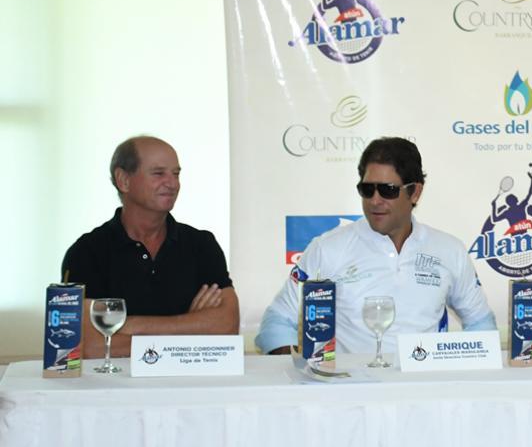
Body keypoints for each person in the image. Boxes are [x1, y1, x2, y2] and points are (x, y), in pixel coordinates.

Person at [255, 137, 496, 354]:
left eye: (387, 190)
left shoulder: (449, 250)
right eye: (367, 189)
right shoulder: (328, 248)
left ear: (415, 193)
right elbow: (276, 324)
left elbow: (481, 323)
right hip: (349, 396)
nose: (375, 200)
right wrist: (306, 371)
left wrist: (463, 366)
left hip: (425, 394)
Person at [62, 136, 239, 357]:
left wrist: (126, 325)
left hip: (191, 386)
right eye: (158, 173)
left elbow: (227, 327)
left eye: (176, 173)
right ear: (123, 180)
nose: (172, 183)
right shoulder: (87, 252)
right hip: (114, 389)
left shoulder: (202, 245)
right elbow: (91, 346)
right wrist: (194, 331)